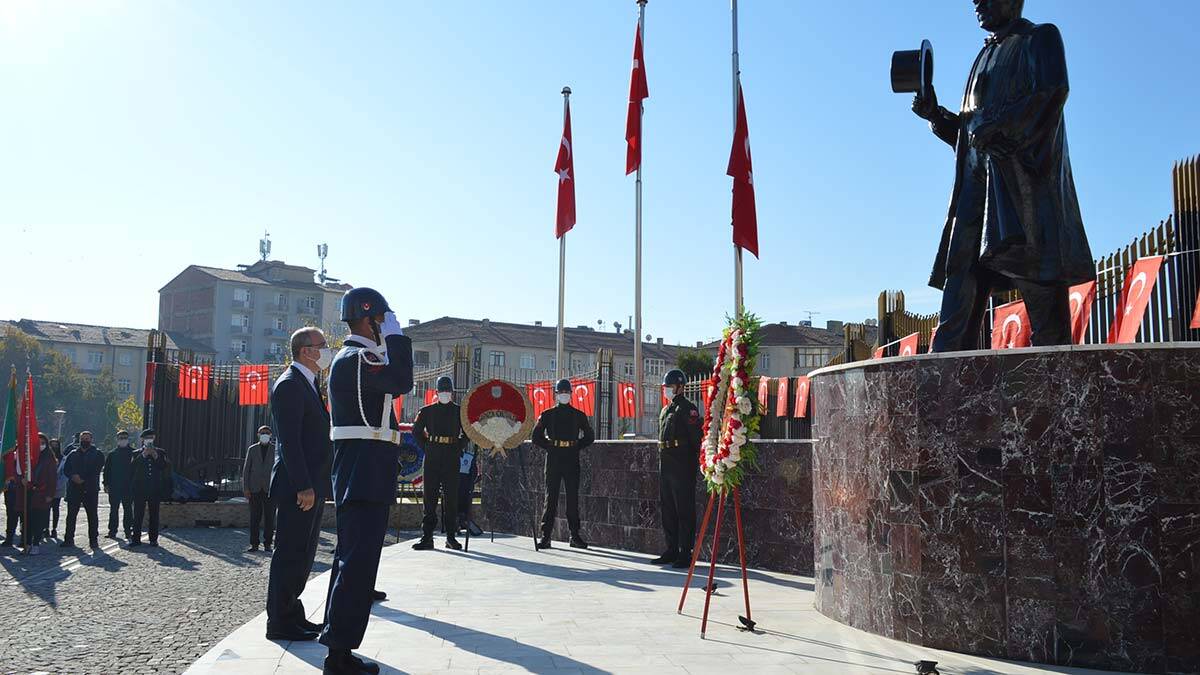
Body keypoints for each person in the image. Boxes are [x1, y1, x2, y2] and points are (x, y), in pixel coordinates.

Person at [911, 0, 1092, 350]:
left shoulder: (1039, 38)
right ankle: (942, 386)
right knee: (959, 290)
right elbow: (969, 135)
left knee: (1044, 305)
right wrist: (936, 115)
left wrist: (1002, 126)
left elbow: (1052, 93)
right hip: (974, 195)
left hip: (1023, 191)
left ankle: (1054, 391)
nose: (976, 1)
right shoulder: (982, 56)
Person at [320, 287, 413, 675]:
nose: (384, 327)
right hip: (364, 468)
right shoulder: (359, 358)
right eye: (382, 320)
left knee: (352, 560)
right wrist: (397, 338)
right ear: (370, 318)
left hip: (363, 466)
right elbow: (402, 380)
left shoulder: (354, 358)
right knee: (357, 564)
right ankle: (339, 655)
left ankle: (336, 646)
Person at [266, 327, 333, 643]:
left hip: (312, 485)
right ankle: (279, 620)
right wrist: (304, 485)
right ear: (306, 351)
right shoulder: (290, 385)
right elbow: (290, 443)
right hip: (298, 488)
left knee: (303, 554)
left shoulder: (309, 384)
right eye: (323, 346)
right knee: (290, 553)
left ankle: (292, 614)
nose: (327, 350)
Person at [533, 378, 595, 550]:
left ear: (571, 394)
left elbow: (590, 436)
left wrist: (577, 446)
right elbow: (535, 437)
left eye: (567, 392)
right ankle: (545, 536)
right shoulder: (547, 414)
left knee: (572, 499)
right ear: (556, 394)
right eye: (561, 392)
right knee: (550, 497)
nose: (564, 395)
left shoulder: (578, 415)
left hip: (571, 458)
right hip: (554, 458)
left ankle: (574, 535)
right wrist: (549, 446)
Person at [653, 369, 702, 568]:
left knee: (684, 510)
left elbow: (695, 439)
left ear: (680, 387)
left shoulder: (688, 408)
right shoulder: (666, 410)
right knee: (668, 509)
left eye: (670, 387)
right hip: (666, 463)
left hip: (682, 463)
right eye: (666, 387)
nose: (667, 390)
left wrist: (692, 462)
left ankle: (685, 552)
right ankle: (671, 549)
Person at [411, 376, 466, 551]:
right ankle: (427, 537)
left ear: (452, 393)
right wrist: (427, 447)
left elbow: (468, 433)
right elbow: (416, 431)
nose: (445, 394)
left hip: (451, 454)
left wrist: (458, 447)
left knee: (451, 498)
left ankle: (451, 536)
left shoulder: (460, 412)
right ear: (436, 392)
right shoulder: (426, 411)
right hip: (433, 455)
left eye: (447, 391)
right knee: (430, 497)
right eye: (442, 391)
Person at [62, 430, 105, 549]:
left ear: (91, 440)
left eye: (87, 438)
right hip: (74, 489)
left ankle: (93, 540)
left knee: (92, 516)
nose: (84, 441)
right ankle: (68, 539)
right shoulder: (73, 453)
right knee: (71, 516)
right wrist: (73, 476)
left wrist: (83, 479)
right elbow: (66, 469)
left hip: (90, 489)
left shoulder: (97, 454)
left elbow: (97, 469)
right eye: (83, 438)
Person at [129, 429, 173, 547]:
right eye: (147, 438)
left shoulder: (160, 452)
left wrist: (155, 455)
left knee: (154, 514)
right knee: (138, 514)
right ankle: (135, 538)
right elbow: (132, 467)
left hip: (154, 488)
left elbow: (164, 467)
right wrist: (143, 455)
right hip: (140, 488)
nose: (149, 440)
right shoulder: (136, 453)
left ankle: (153, 539)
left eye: (151, 437)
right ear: (142, 439)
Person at [243, 425, 276, 553]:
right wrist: (246, 488)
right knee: (254, 518)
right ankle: (254, 544)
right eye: (262, 433)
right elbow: (246, 470)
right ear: (258, 434)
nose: (265, 435)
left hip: (270, 489)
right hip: (254, 488)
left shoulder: (275, 449)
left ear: (271, 435)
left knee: (270, 518)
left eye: (267, 433)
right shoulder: (252, 449)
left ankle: (268, 543)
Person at [26, 433, 58, 555]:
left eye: (42, 443)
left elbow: (53, 479)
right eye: (38, 443)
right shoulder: (29, 457)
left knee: (39, 520)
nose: (40, 445)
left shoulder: (50, 458)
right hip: (30, 493)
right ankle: (27, 543)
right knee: (28, 520)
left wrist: (50, 494)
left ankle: (36, 543)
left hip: (43, 493)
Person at [102, 430, 136, 539]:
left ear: (128, 438)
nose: (123, 439)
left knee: (128, 510)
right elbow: (107, 470)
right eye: (121, 437)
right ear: (117, 439)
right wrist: (106, 484)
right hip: (114, 486)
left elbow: (137, 471)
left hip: (129, 486)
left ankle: (128, 530)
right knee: (113, 510)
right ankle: (112, 531)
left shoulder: (134, 453)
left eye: (125, 437)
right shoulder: (112, 454)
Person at [1, 473, 24, 549]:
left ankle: (23, 539)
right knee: (11, 517)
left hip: (20, 491)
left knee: (22, 516)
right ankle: (9, 538)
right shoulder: (8, 462)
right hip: (11, 492)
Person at [48, 438, 64, 540]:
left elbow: (64, 473)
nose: (54, 447)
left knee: (55, 508)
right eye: (52, 445)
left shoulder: (63, 458)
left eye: (56, 445)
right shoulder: (45, 457)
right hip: (46, 487)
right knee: (45, 509)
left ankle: (54, 528)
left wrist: (59, 485)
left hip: (58, 487)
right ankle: (45, 528)